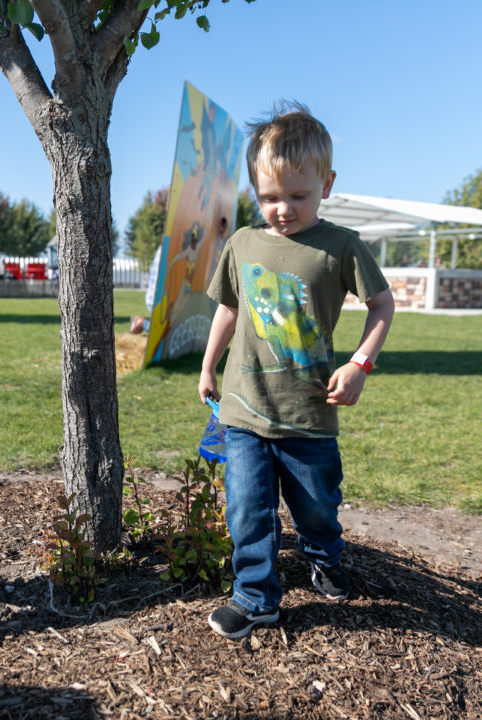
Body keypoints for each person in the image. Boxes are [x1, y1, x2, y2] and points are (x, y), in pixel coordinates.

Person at [198, 104, 394, 640]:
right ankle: (256, 598)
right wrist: (209, 364)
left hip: (309, 414)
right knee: (246, 509)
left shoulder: (340, 246)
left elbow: (382, 306)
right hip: (243, 409)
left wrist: (359, 364)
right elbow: (230, 309)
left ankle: (325, 558)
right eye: (268, 197)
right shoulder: (241, 244)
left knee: (316, 508)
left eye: (297, 196)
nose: (281, 209)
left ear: (326, 184)